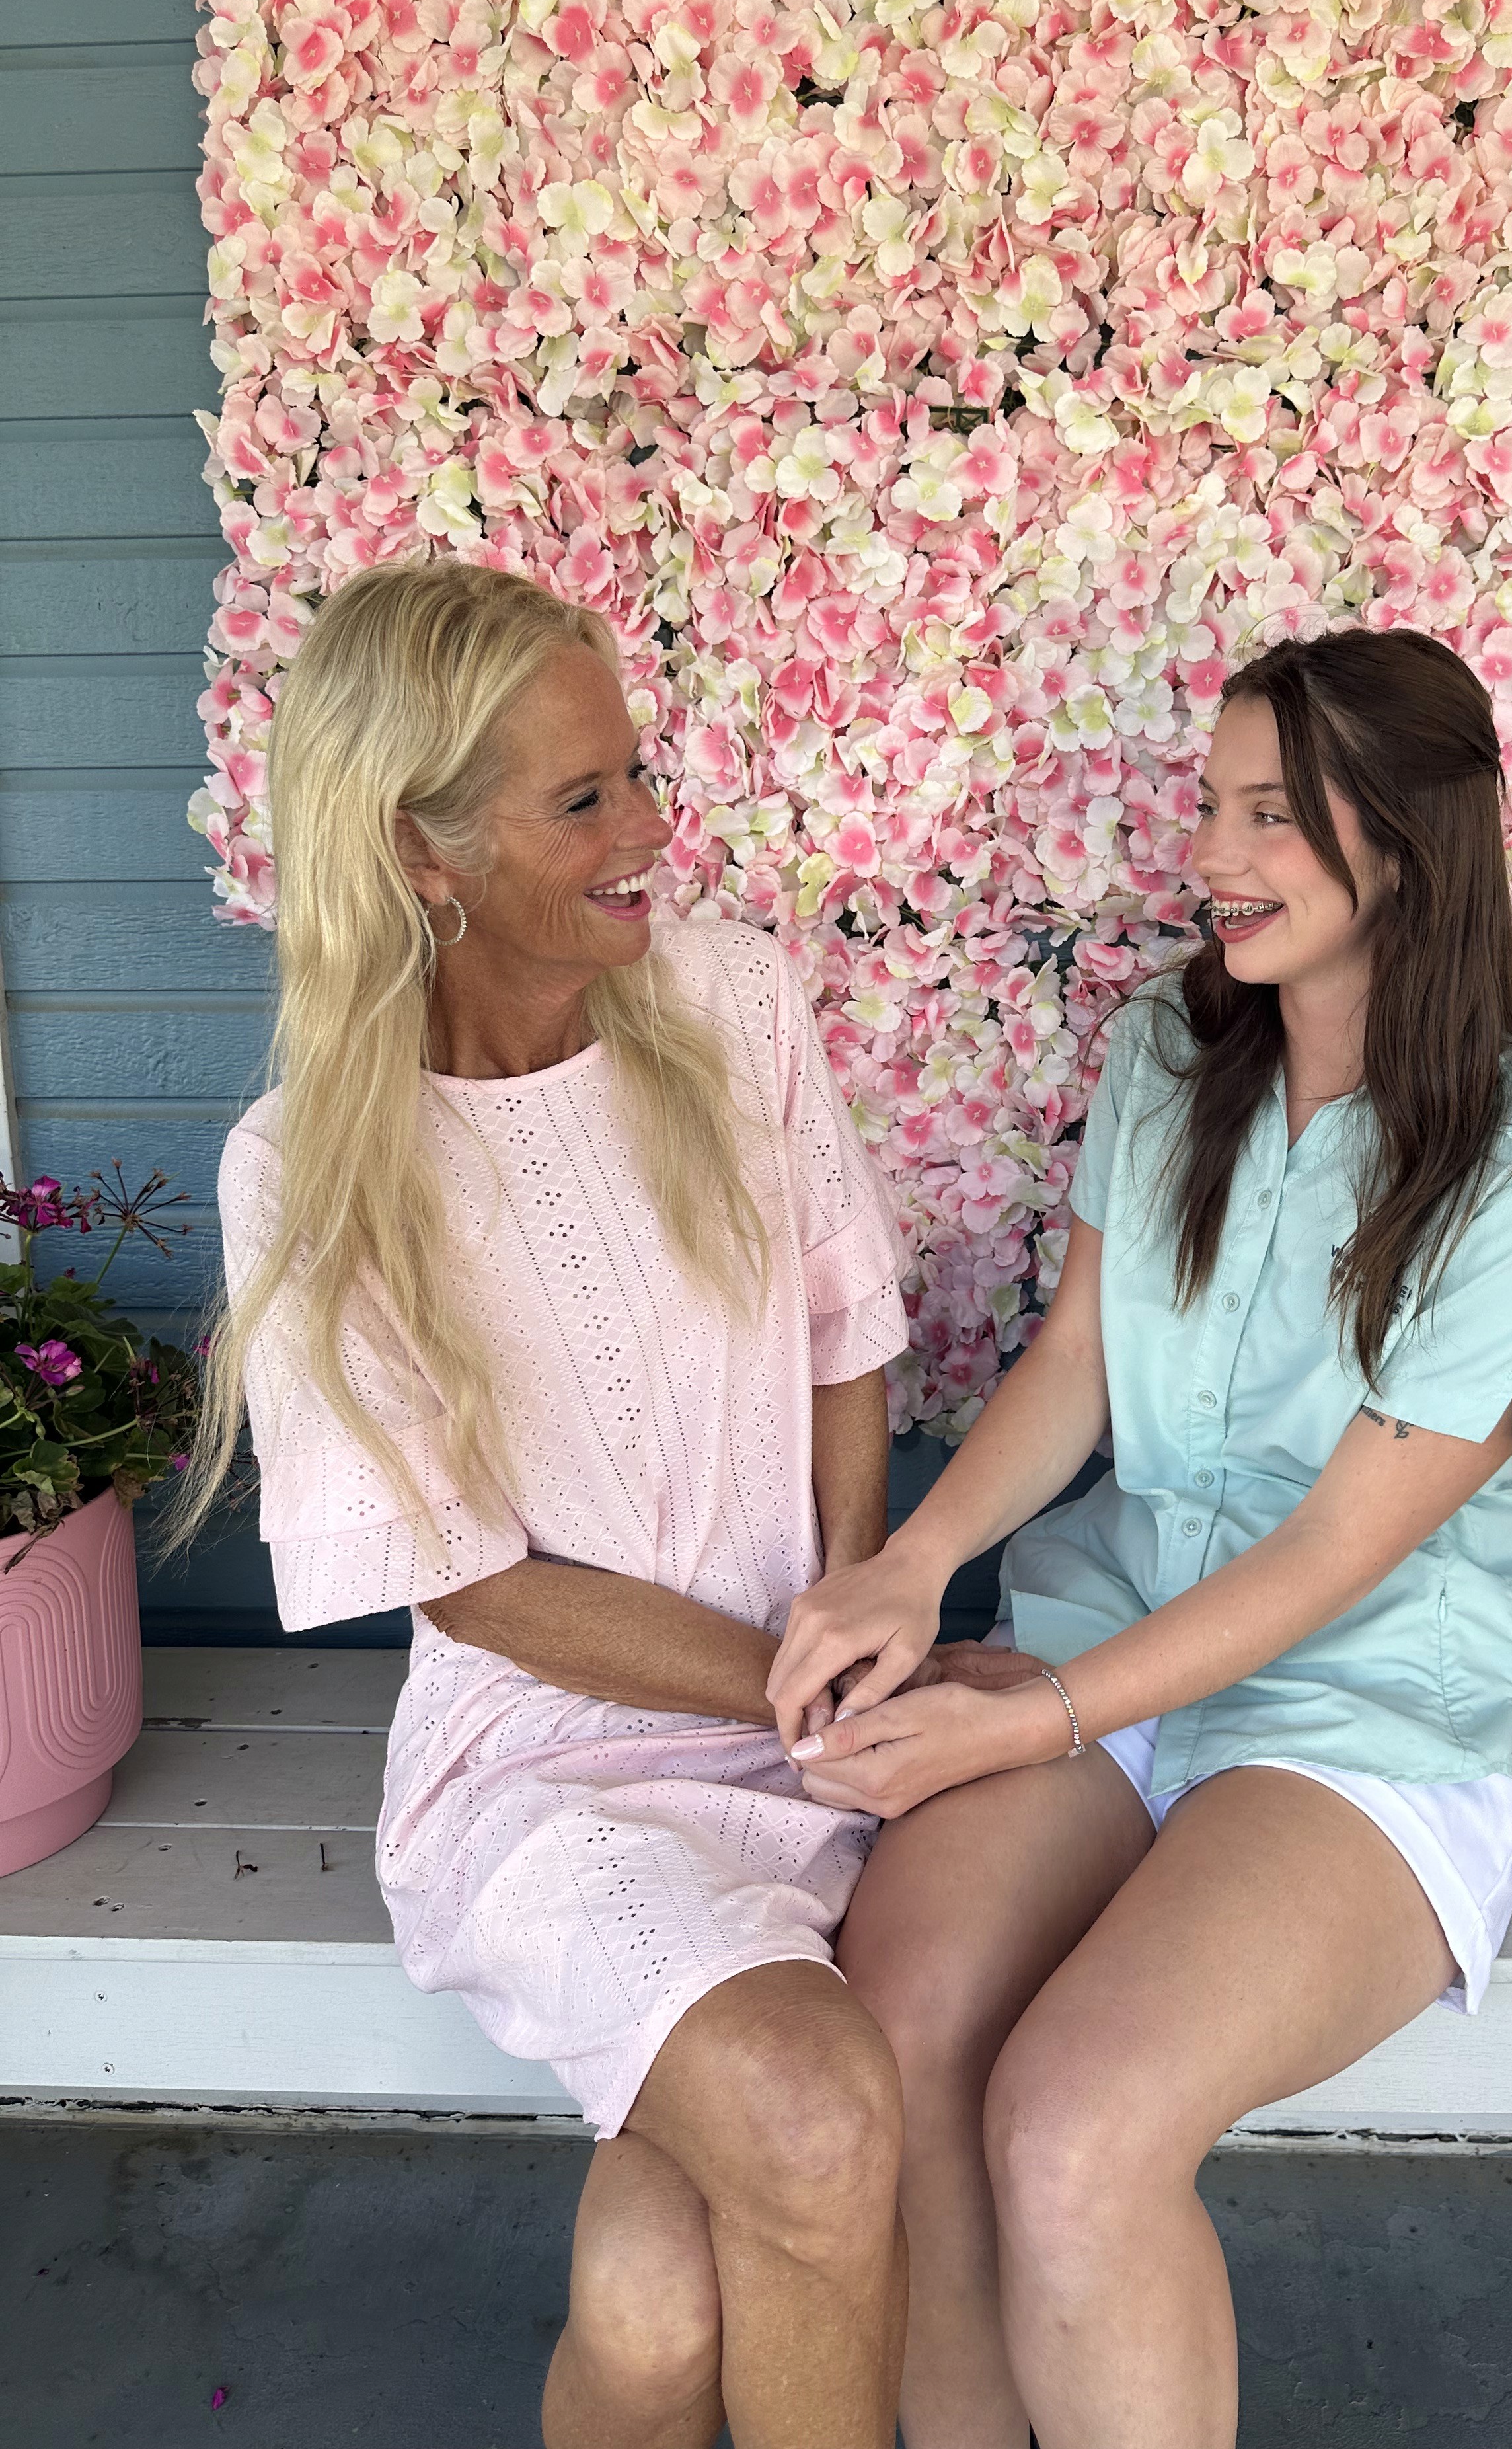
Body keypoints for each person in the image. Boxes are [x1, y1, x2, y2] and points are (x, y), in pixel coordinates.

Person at [767, 629, 1512, 2449]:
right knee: (908, 2036)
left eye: (1272, 817)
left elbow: (1335, 1554)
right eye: (1211, 806)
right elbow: (1077, 1361)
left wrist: (1033, 1717)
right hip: (1108, 1653)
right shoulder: (1176, 1049)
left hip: (1367, 1719)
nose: (1215, 858)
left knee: (1078, 2129)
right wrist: (916, 1564)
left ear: (1410, 838)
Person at [174, 557, 985, 2449]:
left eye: (638, 772)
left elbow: (846, 1334)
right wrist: (805, 1690)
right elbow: (466, 1585)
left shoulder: (725, 996)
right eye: (584, 799)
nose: (650, 830)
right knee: (807, 2117)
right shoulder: (306, 1167)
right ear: (424, 853)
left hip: (812, 1738)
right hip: (540, 1780)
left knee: (650, 2308)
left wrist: (850, 1613)